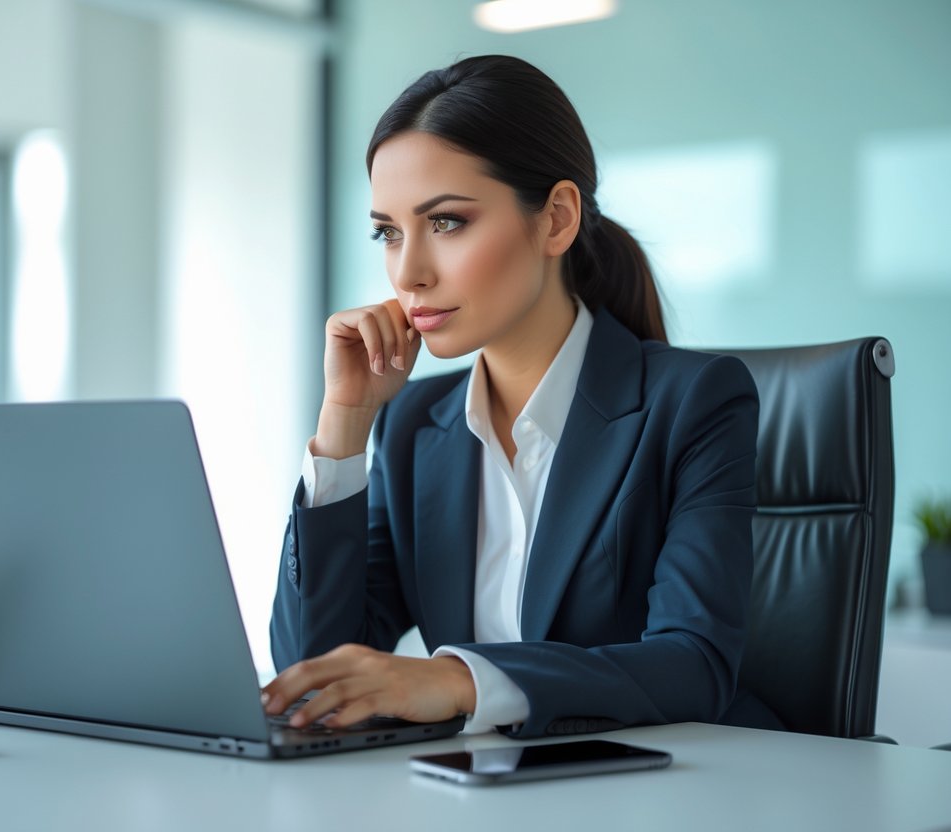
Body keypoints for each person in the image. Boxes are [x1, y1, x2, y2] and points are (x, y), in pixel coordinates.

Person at [263, 54, 782, 737]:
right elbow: (313, 674)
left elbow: (693, 666)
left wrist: (460, 681)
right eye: (387, 231)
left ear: (556, 219)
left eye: (445, 222)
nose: (408, 272)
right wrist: (344, 425)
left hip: (662, 791)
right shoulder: (415, 425)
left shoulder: (693, 402)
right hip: (486, 791)